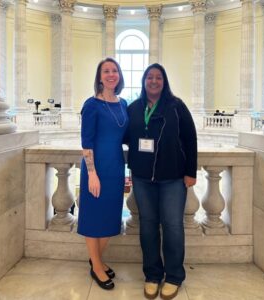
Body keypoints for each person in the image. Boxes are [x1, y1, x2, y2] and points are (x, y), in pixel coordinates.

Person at [125, 63, 197, 300]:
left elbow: (190, 138)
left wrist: (190, 172)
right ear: (144, 81)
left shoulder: (176, 106)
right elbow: (123, 136)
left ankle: (174, 276)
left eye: (158, 77)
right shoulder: (134, 108)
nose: (153, 81)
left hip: (173, 178)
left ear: (164, 82)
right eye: (149, 77)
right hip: (143, 178)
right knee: (147, 226)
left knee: (173, 227)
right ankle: (152, 274)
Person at [77, 57, 128, 290]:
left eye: (114, 70)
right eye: (106, 71)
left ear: (119, 75)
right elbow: (86, 143)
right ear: (99, 77)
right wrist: (92, 174)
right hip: (95, 169)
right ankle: (97, 266)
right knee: (93, 217)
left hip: (116, 168)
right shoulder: (91, 105)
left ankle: (95, 259)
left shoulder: (123, 103)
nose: (110, 74)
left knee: (109, 217)